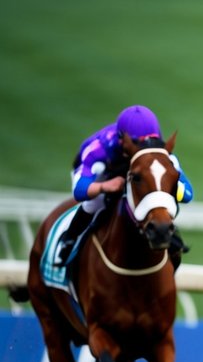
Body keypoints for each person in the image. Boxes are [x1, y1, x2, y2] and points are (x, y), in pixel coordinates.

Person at [56, 105, 193, 266]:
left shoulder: (155, 147)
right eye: (139, 143)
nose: (147, 146)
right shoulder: (98, 148)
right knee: (94, 203)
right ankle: (69, 240)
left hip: (137, 167)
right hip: (103, 170)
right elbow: (79, 191)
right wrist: (104, 186)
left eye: (151, 141)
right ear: (122, 140)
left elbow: (188, 194)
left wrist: (168, 189)